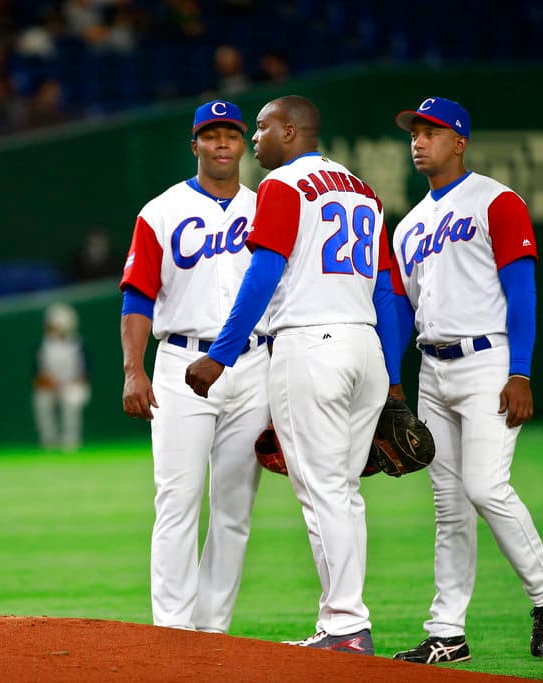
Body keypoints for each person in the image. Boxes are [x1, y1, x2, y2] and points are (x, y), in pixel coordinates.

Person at [185, 95, 400, 655]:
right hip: (366, 346)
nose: (254, 139)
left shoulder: (283, 187)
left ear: (289, 130)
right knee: (344, 492)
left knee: (323, 490)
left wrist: (221, 354)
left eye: (260, 128)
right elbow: (387, 290)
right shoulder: (364, 190)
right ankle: (344, 621)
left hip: (311, 345)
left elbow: (264, 272)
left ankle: (347, 626)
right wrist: (395, 379)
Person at [387, 97, 543, 664]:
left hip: (489, 360)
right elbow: (400, 311)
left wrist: (521, 370)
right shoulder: (409, 226)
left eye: (431, 131)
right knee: (448, 506)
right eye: (414, 132)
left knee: (485, 486)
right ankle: (448, 632)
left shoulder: (497, 200)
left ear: (459, 140)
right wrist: (393, 385)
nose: (419, 140)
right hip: (432, 368)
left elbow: (523, 291)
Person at [120, 99, 270, 634]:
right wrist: (133, 370)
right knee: (178, 500)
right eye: (212, 135)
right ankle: (173, 630)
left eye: (231, 133)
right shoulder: (160, 211)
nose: (223, 143)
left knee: (234, 510)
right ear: (196, 145)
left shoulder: (267, 208)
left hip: (253, 365)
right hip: (180, 362)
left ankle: (213, 633)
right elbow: (137, 297)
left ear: (242, 143)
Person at [33, 302, 90, 452]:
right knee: (42, 399)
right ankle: (49, 442)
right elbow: (38, 375)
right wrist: (50, 383)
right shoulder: (43, 345)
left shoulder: (78, 344)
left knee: (71, 399)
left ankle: (70, 442)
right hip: (51, 387)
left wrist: (68, 384)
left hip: (73, 386)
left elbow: (84, 374)